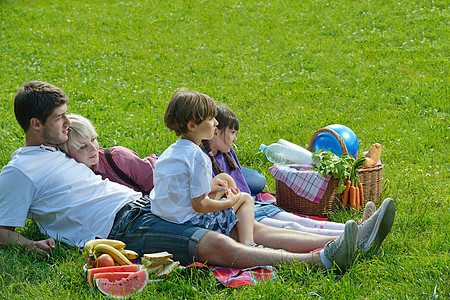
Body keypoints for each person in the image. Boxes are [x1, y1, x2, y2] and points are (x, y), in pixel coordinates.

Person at [0, 81, 395, 273]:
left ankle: (351, 237)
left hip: (138, 204)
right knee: (209, 242)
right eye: (59, 119)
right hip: (117, 226)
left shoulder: (56, 150)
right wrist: (31, 244)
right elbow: (2, 229)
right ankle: (317, 261)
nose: (67, 124)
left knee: (246, 217)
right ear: (35, 124)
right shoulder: (20, 171)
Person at [201, 104, 377, 236]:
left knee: (295, 219)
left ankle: (357, 225)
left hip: (252, 204)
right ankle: (348, 235)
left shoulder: (227, 152)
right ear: (215, 131)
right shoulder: (203, 160)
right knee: (294, 227)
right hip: (240, 212)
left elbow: (241, 184)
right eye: (232, 132)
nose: (235, 138)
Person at [149, 88, 259, 246]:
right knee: (246, 199)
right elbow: (200, 205)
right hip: (191, 224)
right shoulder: (198, 157)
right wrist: (230, 202)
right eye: (211, 118)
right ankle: (249, 244)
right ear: (192, 125)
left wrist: (210, 186)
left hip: (167, 217)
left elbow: (180, 188)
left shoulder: (171, 151)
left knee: (222, 181)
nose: (216, 123)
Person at [58, 114, 157, 195]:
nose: (93, 149)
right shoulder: (70, 178)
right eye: (83, 147)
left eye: (93, 139)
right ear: (66, 153)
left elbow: (157, 188)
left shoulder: (118, 157)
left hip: (160, 173)